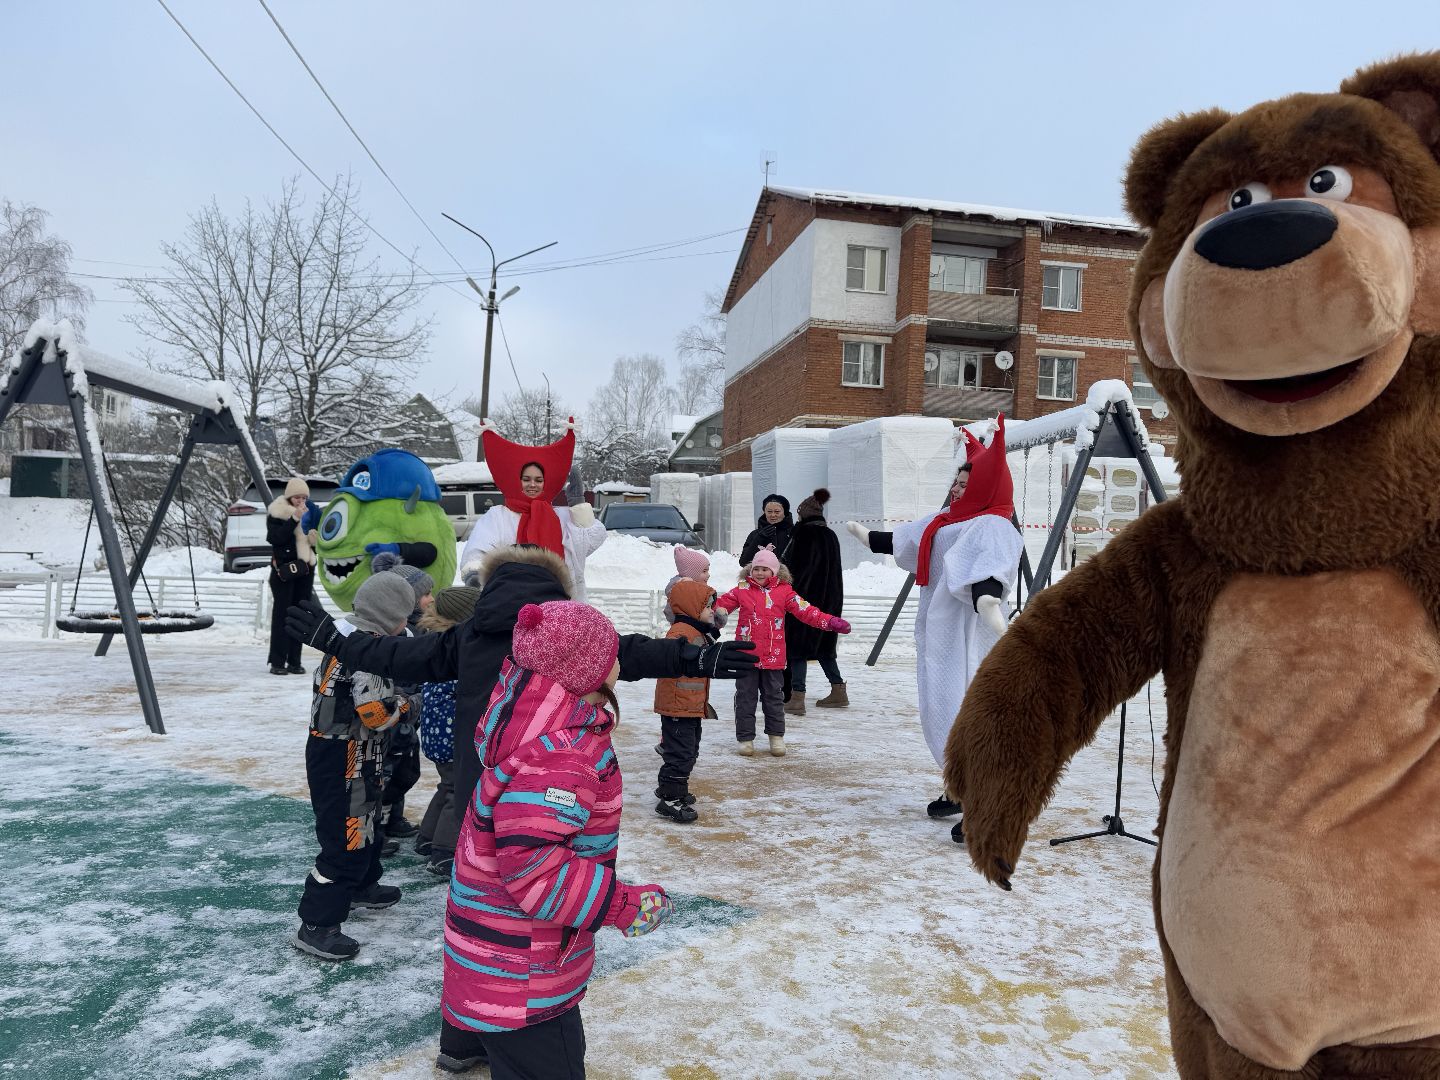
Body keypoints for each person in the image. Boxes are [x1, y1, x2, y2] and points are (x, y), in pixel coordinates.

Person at [285, 542, 761, 845]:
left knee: (486, 864)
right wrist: (694, 657)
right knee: (540, 862)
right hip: (552, 772)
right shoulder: (567, 630)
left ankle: (479, 943)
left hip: (483, 770)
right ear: (557, 585)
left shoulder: (468, 635)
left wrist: (339, 641)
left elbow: (402, 657)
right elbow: (627, 651)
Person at [435, 600, 673, 1078]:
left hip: (497, 948)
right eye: (612, 656)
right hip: (525, 966)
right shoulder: (561, 757)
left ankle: (466, 1043)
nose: (620, 663)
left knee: (504, 1025)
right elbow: (536, 871)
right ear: (585, 673)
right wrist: (622, 904)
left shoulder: (529, 722)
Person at [846, 418, 1023, 839]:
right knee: (940, 712)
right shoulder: (946, 519)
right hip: (938, 637)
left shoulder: (992, 524)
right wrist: (869, 537)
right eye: (957, 482)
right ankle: (958, 788)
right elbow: (905, 539)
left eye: (966, 484)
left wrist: (987, 600)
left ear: (985, 487)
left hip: (968, 635)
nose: (958, 489)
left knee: (970, 717)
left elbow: (989, 569)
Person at [290, 572, 414, 962]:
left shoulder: (348, 641)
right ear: (391, 616)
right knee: (346, 836)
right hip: (343, 755)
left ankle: (362, 883)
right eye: (405, 617)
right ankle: (317, 922)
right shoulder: (368, 653)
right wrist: (411, 703)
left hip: (354, 752)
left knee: (366, 821)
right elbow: (376, 713)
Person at [714, 548, 851, 757]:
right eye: (756, 569)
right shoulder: (742, 589)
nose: (759, 573)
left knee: (773, 698)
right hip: (745, 655)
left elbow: (806, 611)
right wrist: (717, 613)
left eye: (765, 569)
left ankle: (776, 737)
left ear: (774, 572)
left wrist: (829, 621)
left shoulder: (784, 591)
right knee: (745, 698)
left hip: (773, 656)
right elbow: (721, 606)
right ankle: (745, 738)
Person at [459, 422, 606, 601]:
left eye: (538, 479)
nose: (532, 484)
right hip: (513, 603)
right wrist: (475, 577)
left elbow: (591, 540)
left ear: (546, 482)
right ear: (517, 480)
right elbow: (478, 550)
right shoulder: (499, 516)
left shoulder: (561, 516)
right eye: (526, 479)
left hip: (562, 604)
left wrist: (578, 505)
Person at [414, 586, 480, 877]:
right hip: (451, 736)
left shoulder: (434, 642)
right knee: (457, 790)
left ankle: (427, 837)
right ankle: (444, 851)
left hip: (435, 733)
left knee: (447, 785)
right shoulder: (459, 649)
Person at [372, 552, 434, 848]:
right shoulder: (390, 636)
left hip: (411, 715)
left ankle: (393, 816)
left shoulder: (420, 629)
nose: (430, 600)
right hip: (392, 716)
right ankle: (376, 829)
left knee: (407, 771)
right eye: (425, 595)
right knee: (385, 773)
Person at [653, 579, 719, 823]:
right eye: (707, 606)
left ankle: (671, 788)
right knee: (680, 754)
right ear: (692, 607)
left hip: (688, 705)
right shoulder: (680, 633)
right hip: (678, 705)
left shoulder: (696, 630)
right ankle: (670, 798)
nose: (712, 610)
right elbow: (669, 655)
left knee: (689, 751)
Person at [783, 488, 847, 715]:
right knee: (824, 648)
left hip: (806, 600)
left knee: (797, 648)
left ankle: (797, 697)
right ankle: (838, 690)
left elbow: (797, 569)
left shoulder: (803, 535)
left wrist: (792, 596)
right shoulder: (830, 535)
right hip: (830, 600)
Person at [266, 477, 319, 676]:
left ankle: (295, 661)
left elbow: (313, 543)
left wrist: (315, 539)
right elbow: (275, 538)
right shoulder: (277, 511)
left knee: (300, 616)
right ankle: (277, 661)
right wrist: (294, 519)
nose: (301, 501)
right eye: (297, 497)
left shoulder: (309, 513)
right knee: (282, 615)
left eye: (304, 497)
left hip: (305, 569)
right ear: (290, 497)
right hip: (285, 571)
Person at [739, 493, 793, 567]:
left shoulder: (794, 533)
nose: (773, 515)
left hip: (788, 578)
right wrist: (759, 539)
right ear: (764, 512)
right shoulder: (755, 534)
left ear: (785, 512)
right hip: (760, 577)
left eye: (777, 512)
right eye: (769, 511)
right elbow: (744, 563)